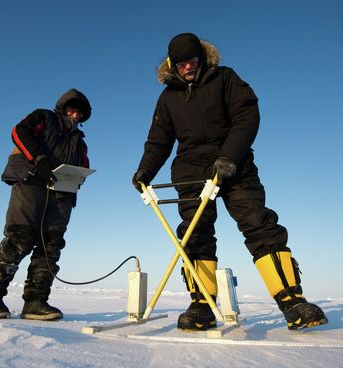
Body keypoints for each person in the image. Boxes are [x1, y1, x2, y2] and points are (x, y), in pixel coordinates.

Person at [132, 33, 328, 331]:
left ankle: (292, 300)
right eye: (181, 63)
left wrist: (230, 156)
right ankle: (202, 306)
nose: (188, 67)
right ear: (172, 64)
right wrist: (145, 171)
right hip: (190, 171)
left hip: (234, 166)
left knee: (258, 224)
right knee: (194, 235)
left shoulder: (224, 79)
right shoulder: (168, 97)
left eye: (193, 60)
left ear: (202, 57)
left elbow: (247, 116)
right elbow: (159, 141)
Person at [0, 88, 92, 321]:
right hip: (31, 183)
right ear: (62, 107)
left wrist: (77, 181)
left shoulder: (79, 141)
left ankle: (36, 302)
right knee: (20, 238)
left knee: (51, 246)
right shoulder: (44, 117)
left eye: (79, 112)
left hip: (62, 194)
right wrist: (40, 160)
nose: (75, 115)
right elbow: (19, 132)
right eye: (71, 108)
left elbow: (84, 165)